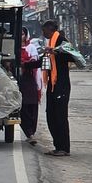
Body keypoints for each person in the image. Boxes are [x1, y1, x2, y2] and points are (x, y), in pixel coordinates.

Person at [41, 19, 73, 155]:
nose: (43, 34)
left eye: (44, 31)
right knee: (51, 115)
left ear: (51, 29)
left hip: (61, 83)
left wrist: (55, 51)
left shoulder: (61, 40)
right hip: (52, 84)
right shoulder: (50, 42)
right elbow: (44, 61)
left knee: (60, 116)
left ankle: (64, 148)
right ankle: (57, 145)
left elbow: (72, 56)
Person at [18, 27, 42, 145]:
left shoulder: (31, 47)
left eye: (22, 34)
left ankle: (32, 132)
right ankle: (29, 133)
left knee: (32, 105)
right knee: (21, 107)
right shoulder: (12, 47)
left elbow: (36, 64)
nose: (20, 36)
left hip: (29, 79)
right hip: (16, 81)